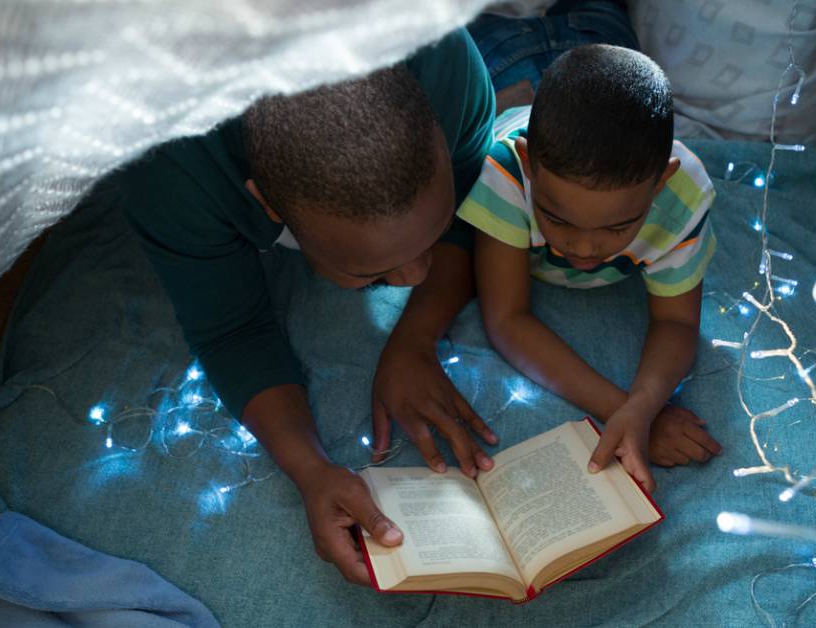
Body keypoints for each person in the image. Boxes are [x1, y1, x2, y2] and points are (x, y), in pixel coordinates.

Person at [118, 30, 498, 586]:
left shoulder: (447, 61)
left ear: (439, 127)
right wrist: (310, 469)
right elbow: (230, 330)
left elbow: (475, 204)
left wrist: (416, 336)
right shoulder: (170, 165)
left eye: (430, 234)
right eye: (371, 273)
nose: (417, 277)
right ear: (266, 203)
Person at [457, 44, 723, 493]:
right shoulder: (505, 172)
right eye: (557, 219)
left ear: (661, 182)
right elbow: (506, 319)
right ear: (529, 166)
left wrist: (643, 407)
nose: (582, 248)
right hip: (510, 60)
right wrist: (628, 413)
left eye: (618, 226)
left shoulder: (685, 195)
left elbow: (678, 322)